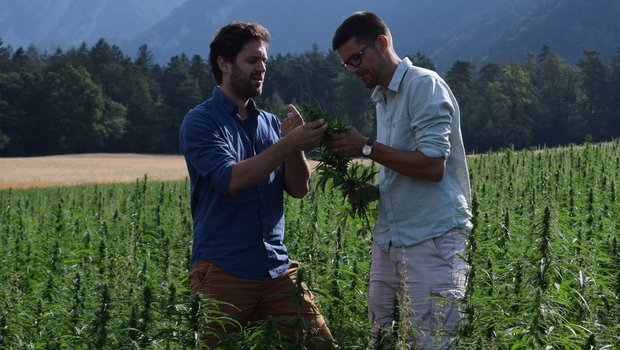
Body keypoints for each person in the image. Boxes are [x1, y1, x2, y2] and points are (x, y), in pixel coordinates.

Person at [179, 21, 334, 349]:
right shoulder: (201, 122)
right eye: (252, 61)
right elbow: (231, 179)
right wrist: (287, 145)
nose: (262, 68)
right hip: (222, 271)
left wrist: (295, 146)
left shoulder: (268, 124)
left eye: (264, 61)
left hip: (276, 271)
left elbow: (299, 188)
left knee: (321, 345)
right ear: (224, 63)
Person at [327, 12, 472, 349]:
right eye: (346, 64)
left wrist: (365, 146)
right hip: (391, 240)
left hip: (432, 240)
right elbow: (405, 168)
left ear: (382, 43)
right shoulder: (383, 97)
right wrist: (374, 192)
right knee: (383, 338)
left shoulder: (424, 85)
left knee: (433, 341)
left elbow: (433, 165)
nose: (353, 70)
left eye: (357, 58)